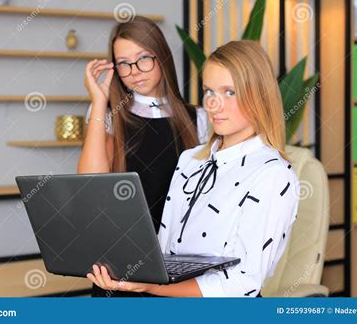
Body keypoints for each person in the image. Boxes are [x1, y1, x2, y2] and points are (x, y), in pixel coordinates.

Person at [87, 40, 300, 297]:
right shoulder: (190, 161)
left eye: (229, 92)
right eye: (209, 91)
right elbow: (164, 251)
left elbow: (244, 283)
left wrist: (151, 286)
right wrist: (125, 272)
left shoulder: (272, 174)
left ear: (259, 95)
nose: (213, 104)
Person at [78, 16, 209, 297]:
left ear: (161, 56)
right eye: (124, 63)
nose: (135, 71)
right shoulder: (108, 115)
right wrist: (99, 102)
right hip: (120, 267)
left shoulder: (199, 119)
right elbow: (91, 186)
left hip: (181, 265)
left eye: (143, 58)